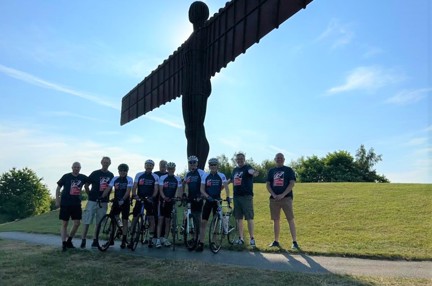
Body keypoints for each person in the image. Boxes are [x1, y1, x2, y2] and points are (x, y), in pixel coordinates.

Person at [266, 153, 299, 249]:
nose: (279, 159)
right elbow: (268, 184)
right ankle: (276, 241)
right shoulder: (271, 171)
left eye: (281, 158)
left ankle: (294, 242)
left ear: (284, 159)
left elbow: (292, 183)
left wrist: (283, 194)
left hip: (286, 198)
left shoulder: (288, 170)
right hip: (274, 199)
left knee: (290, 219)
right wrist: (274, 195)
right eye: (277, 158)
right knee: (276, 220)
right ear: (275, 159)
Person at [80, 156, 114, 248]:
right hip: (92, 200)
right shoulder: (95, 173)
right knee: (87, 220)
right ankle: (83, 239)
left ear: (109, 164)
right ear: (101, 162)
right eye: (104, 162)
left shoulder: (111, 175)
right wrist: (89, 194)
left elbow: (111, 187)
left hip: (103, 202)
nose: (105, 164)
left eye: (107, 162)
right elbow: (86, 185)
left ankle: (95, 240)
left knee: (99, 222)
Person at [197, 158, 231, 252]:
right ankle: (201, 243)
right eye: (211, 165)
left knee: (216, 223)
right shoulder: (205, 175)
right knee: (203, 222)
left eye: (214, 165)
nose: (213, 166)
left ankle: (214, 242)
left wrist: (228, 197)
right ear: (209, 166)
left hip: (217, 201)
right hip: (208, 201)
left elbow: (226, 187)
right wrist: (207, 196)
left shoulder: (221, 175)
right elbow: (202, 189)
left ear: (217, 166)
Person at [55, 162, 88, 251]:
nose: (76, 169)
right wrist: (57, 201)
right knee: (65, 223)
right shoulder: (66, 176)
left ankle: (69, 241)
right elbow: (58, 188)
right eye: (75, 167)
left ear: (80, 168)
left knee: (77, 223)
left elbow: (92, 182)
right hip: (65, 203)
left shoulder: (83, 177)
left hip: (76, 204)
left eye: (78, 167)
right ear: (72, 168)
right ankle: (63, 243)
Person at [100, 163, 133, 249]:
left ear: (127, 172)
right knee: (113, 220)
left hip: (125, 202)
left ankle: (124, 240)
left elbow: (128, 191)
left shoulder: (129, 179)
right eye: (121, 171)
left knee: (125, 220)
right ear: (118, 171)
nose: (122, 172)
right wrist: (102, 196)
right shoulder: (115, 179)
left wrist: (123, 199)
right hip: (116, 201)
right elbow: (108, 189)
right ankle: (111, 240)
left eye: (124, 171)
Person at [129, 159, 159, 248]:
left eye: (150, 165)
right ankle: (132, 234)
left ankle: (150, 238)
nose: (149, 167)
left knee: (151, 218)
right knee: (135, 216)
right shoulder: (139, 175)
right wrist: (134, 195)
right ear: (144, 166)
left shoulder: (155, 176)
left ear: (153, 167)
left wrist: (152, 197)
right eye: (147, 165)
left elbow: (156, 188)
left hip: (149, 199)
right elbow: (134, 187)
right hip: (140, 198)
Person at [231, 152, 259, 247]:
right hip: (236, 197)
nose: (240, 160)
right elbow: (231, 180)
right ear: (236, 160)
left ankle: (251, 239)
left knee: (249, 217)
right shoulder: (234, 170)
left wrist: (254, 173)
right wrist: (222, 185)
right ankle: (241, 238)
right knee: (239, 218)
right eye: (238, 159)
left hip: (246, 197)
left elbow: (252, 172)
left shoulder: (247, 168)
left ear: (244, 159)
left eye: (241, 158)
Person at [156, 162, 183, 248]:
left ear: (174, 169)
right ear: (167, 169)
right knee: (160, 220)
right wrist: (164, 197)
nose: (171, 170)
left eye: (172, 169)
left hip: (171, 201)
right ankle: (158, 239)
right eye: (169, 169)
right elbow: (160, 190)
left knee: (168, 221)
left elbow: (179, 189)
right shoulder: (163, 178)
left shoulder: (177, 178)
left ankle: (165, 238)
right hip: (163, 201)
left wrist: (179, 197)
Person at [182, 155, 206, 249]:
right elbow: (183, 183)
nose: (192, 164)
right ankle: (193, 238)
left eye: (194, 162)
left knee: (197, 219)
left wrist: (201, 195)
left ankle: (198, 239)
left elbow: (204, 184)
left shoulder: (201, 173)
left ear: (197, 163)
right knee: (189, 218)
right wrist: (184, 193)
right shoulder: (188, 174)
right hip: (190, 198)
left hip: (198, 198)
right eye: (190, 162)